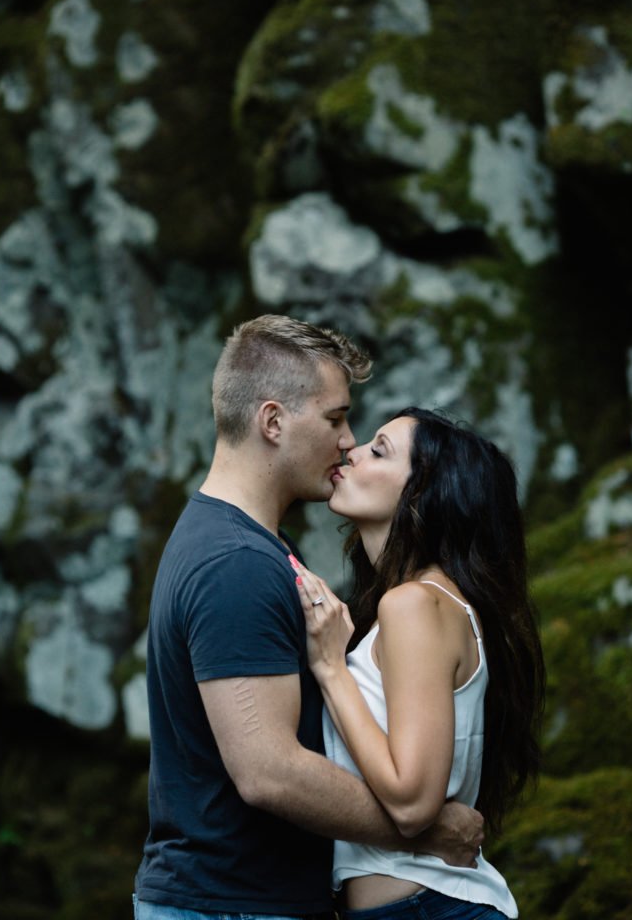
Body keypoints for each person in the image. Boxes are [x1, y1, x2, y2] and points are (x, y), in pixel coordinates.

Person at [134, 318, 484, 920]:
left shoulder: (253, 544)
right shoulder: (235, 564)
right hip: (231, 905)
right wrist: (426, 833)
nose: (348, 440)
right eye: (335, 418)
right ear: (272, 422)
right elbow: (268, 772)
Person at [293, 407, 546, 920]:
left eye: (379, 450)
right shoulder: (427, 604)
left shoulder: (414, 603)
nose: (352, 449)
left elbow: (412, 803)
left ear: (423, 495)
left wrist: (331, 670)